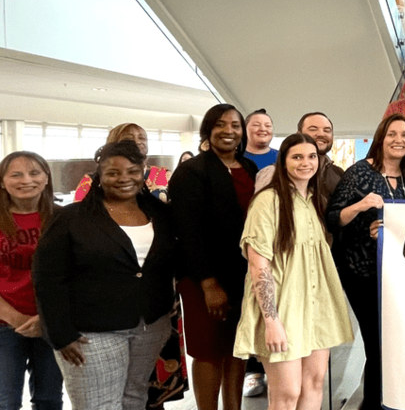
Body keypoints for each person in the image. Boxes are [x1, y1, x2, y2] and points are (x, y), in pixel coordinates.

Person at [34, 140, 177, 410]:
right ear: (99, 175)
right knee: (97, 405)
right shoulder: (71, 217)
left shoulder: (160, 213)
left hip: (149, 326)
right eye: (113, 172)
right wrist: (60, 333)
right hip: (91, 331)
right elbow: (47, 277)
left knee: (134, 399)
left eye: (132, 171)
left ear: (142, 172)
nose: (123, 178)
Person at [234, 134, 354, 410]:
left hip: (315, 309)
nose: (306, 163)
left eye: (311, 156)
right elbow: (258, 264)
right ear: (283, 161)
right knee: (286, 393)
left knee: (314, 384)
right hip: (283, 308)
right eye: (297, 157)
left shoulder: (314, 201)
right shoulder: (268, 201)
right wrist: (271, 320)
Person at [169, 104, 259, 410]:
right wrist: (208, 284)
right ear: (208, 130)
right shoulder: (191, 171)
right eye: (221, 125)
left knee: (237, 348)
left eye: (235, 125)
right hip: (203, 278)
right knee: (208, 351)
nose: (229, 131)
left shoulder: (249, 169)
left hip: (242, 274)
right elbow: (187, 232)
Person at [325, 114, 405, 410]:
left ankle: (382, 399)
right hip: (361, 271)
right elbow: (333, 217)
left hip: (393, 275)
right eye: (392, 134)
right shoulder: (359, 173)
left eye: (404, 135)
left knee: (388, 342)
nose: (398, 140)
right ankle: (374, 403)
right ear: (381, 137)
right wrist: (363, 207)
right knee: (377, 341)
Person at [0, 152, 62, 410]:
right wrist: (15, 318)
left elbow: (75, 275)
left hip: (52, 323)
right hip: (4, 324)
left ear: (46, 178)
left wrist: (46, 318)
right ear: (2, 182)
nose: (27, 180)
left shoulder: (63, 219)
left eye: (35, 173)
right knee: (6, 401)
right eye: (16, 174)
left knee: (49, 399)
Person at [255, 112, 347, 202]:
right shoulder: (272, 173)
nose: (321, 134)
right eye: (313, 129)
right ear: (298, 134)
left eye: (327, 130)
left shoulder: (338, 173)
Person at [74, 122, 171, 202]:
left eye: (142, 138)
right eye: (129, 139)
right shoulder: (91, 181)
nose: (137, 142)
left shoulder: (164, 174)